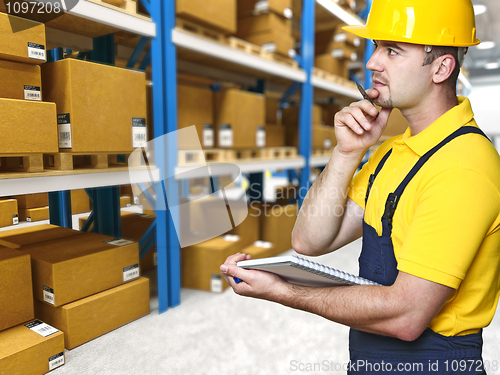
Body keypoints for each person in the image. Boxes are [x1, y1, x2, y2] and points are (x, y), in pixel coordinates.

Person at [220, 0, 500, 373]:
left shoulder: (463, 166)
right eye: (375, 47)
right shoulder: (392, 153)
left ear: (441, 68)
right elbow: (310, 241)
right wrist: (347, 152)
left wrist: (284, 292)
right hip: (372, 356)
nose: (372, 63)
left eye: (392, 50)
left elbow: (407, 316)